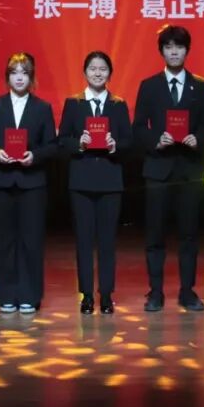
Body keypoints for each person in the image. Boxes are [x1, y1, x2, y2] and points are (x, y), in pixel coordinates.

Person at [132, 26, 204, 312]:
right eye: (169, 47)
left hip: (189, 169)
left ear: (187, 51)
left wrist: (197, 138)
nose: (174, 52)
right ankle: (155, 292)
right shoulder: (149, 86)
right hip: (158, 169)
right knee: (155, 234)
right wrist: (157, 140)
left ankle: (187, 291)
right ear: (162, 52)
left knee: (189, 234)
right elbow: (138, 127)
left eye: (179, 47)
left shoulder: (200, 86)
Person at [0, 53, 58, 314]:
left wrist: (34, 156)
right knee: (3, 242)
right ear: (7, 77)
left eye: (24, 72)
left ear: (31, 77)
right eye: (14, 72)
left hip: (32, 183)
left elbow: (51, 145)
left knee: (31, 241)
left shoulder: (42, 108)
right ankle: (5, 296)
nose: (19, 77)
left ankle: (29, 296)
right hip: (0, 182)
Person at [58, 51, 132, 315]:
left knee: (108, 241)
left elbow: (129, 141)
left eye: (103, 69)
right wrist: (78, 143)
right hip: (81, 181)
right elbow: (62, 139)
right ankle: (87, 295)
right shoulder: (73, 103)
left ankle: (107, 295)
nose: (98, 73)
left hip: (111, 181)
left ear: (110, 73)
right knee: (84, 241)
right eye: (93, 68)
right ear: (85, 72)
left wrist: (114, 145)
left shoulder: (118, 105)